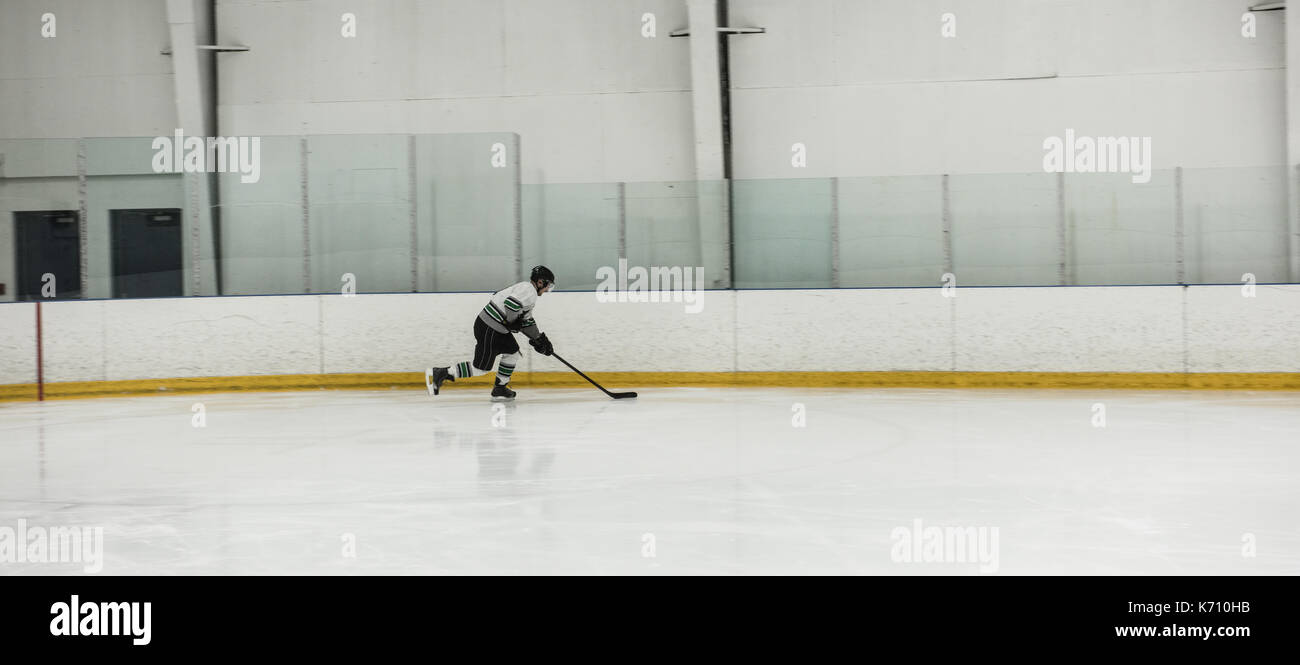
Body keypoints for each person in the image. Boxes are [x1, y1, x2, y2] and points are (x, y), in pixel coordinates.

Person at [426, 265, 556, 400]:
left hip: (493, 327)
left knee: (512, 352)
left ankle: (500, 387)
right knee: (480, 368)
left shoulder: (526, 290)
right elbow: (511, 305)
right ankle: (442, 373)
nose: (547, 290)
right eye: (548, 286)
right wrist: (513, 322)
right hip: (491, 328)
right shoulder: (529, 291)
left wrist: (539, 339)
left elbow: (526, 321)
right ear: (540, 282)